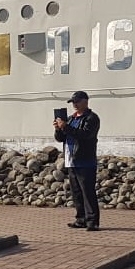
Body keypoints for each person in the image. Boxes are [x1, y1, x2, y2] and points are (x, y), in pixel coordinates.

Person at [53, 90, 101, 231]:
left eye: (77, 101)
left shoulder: (92, 118)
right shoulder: (71, 118)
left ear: (85, 102)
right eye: (73, 102)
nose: (74, 104)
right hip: (71, 160)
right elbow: (61, 138)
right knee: (77, 193)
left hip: (85, 160)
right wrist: (58, 129)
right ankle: (81, 219)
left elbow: (85, 135)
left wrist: (65, 127)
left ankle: (93, 221)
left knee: (88, 192)